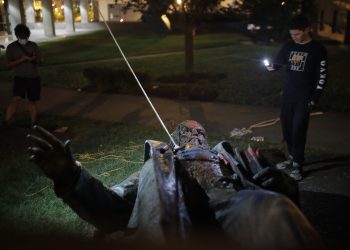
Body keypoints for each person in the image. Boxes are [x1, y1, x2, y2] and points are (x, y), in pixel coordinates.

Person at [27, 120, 325, 249]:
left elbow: (275, 189)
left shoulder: (228, 158)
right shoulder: (156, 164)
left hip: (229, 206)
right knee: (167, 217)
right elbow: (112, 208)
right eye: (183, 134)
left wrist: (286, 189)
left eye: (196, 133)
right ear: (173, 142)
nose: (191, 136)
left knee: (273, 208)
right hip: (169, 207)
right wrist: (69, 176)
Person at [265, 15, 328, 181]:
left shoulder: (317, 49)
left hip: (305, 98)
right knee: (287, 128)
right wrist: (272, 67)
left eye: (298, 34)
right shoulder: (288, 46)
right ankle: (292, 158)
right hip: (288, 95)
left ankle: (298, 164)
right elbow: (278, 63)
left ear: (307, 29)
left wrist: (315, 98)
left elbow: (322, 76)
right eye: (292, 35)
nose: (294, 38)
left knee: (298, 129)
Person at [3, 24, 41, 127]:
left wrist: (34, 59)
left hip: (33, 77)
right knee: (16, 99)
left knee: (32, 101)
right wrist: (21, 59)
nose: (24, 40)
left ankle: (34, 123)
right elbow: (8, 65)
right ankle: (6, 122)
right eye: (22, 37)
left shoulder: (33, 45)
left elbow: (40, 61)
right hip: (20, 77)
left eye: (26, 37)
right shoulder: (11, 47)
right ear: (17, 36)